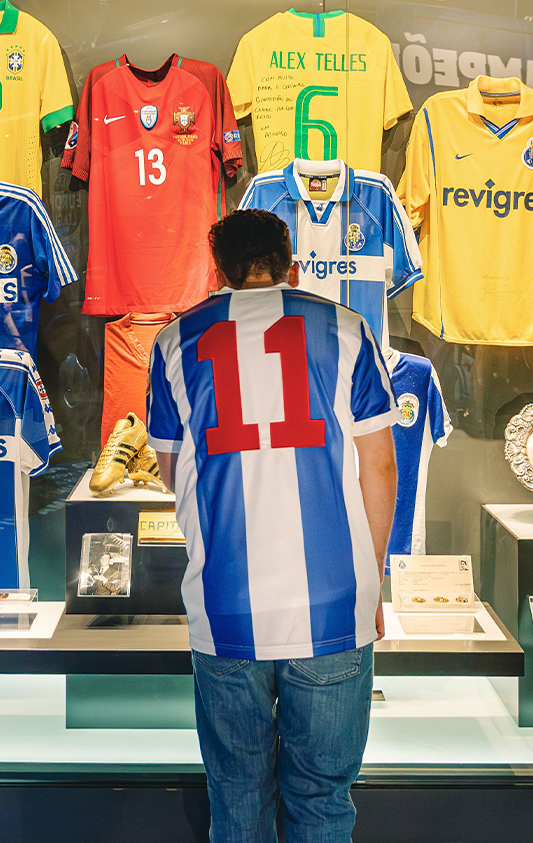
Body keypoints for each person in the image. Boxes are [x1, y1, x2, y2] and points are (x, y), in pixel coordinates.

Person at [148, 208, 399, 843]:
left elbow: (171, 468)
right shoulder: (346, 328)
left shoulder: (174, 342)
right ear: (291, 264)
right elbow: (380, 466)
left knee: (237, 796)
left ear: (219, 269)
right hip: (334, 603)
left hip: (225, 602)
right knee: (322, 799)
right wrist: (369, 581)